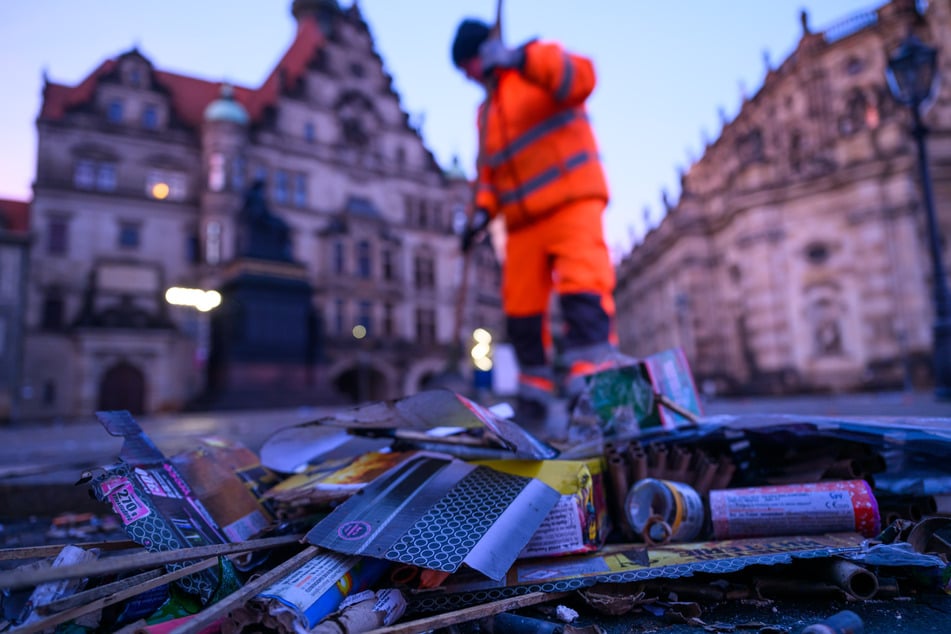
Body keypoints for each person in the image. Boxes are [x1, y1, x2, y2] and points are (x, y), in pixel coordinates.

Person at [451, 18, 620, 427]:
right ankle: (534, 398)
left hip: (570, 201)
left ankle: (594, 390)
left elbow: (583, 78)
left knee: (582, 290)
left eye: (467, 66)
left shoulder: (535, 62)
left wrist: (519, 59)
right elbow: (489, 174)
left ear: (481, 53)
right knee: (521, 312)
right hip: (521, 224)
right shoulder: (486, 114)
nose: (469, 77)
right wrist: (481, 213)